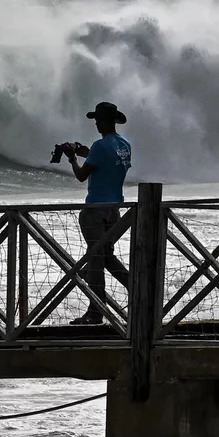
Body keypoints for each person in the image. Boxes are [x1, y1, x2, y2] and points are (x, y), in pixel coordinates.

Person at [61, 101, 133, 325]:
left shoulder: (99, 147)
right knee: (105, 256)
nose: (95, 123)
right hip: (114, 209)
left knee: (95, 259)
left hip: (94, 210)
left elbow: (82, 175)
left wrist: (73, 158)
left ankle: (95, 313)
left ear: (104, 121)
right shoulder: (124, 145)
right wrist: (87, 152)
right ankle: (139, 290)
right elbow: (107, 164)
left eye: (97, 120)